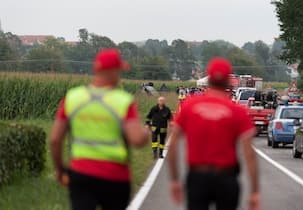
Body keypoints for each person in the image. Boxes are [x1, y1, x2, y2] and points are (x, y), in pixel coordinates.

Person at [50, 48, 149, 210]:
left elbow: (55, 140)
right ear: (113, 71)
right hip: (115, 176)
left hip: (81, 173)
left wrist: (60, 170)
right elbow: (137, 140)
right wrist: (146, 133)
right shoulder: (123, 101)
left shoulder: (72, 98)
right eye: (119, 71)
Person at [168, 58, 260, 210]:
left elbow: (173, 145)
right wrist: (255, 191)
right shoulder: (237, 111)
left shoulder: (190, 106)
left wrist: (175, 180)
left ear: (208, 80)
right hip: (226, 177)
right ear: (228, 82)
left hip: (198, 176)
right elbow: (249, 154)